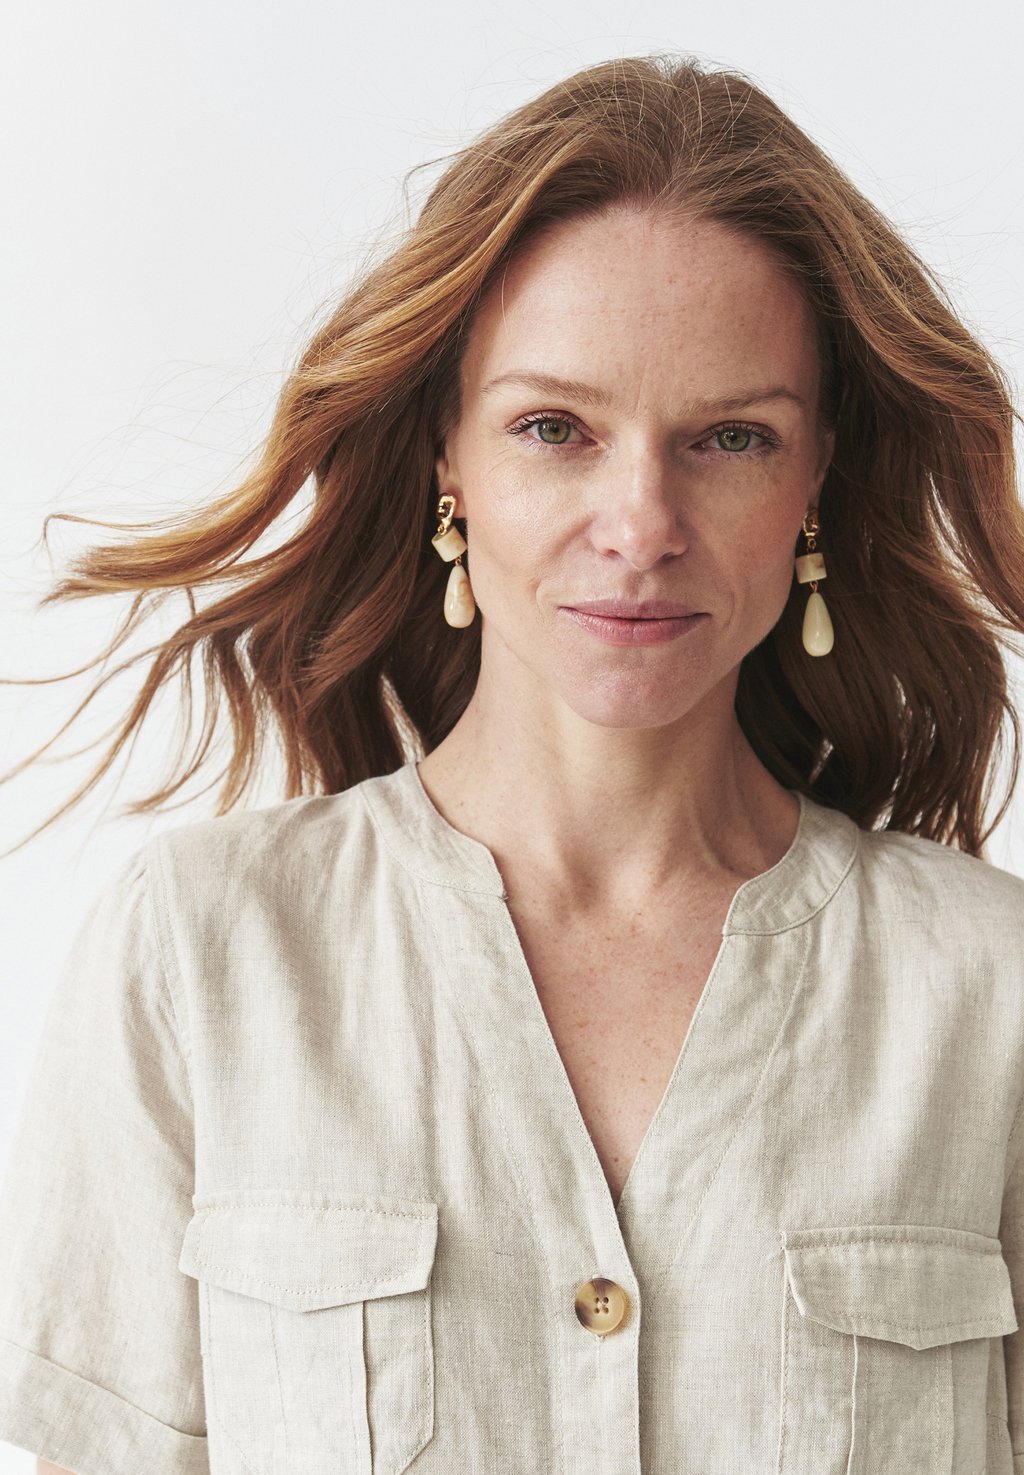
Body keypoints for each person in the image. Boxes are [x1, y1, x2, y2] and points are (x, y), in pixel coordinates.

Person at [1, 49, 1023, 1475]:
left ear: (815, 482)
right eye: (555, 428)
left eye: (732, 437)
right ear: (450, 457)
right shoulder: (204, 953)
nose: (641, 522)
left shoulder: (991, 993)